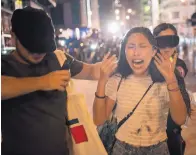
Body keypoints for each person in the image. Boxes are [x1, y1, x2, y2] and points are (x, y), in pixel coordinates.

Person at [1, 7, 115, 155]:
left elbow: (92, 71)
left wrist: (120, 66)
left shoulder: (58, 59)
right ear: (13, 37)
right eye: (31, 48)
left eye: (42, 48)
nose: (38, 54)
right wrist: (43, 82)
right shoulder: (5, 65)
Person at [93, 27, 188, 155]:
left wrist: (171, 80)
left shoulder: (166, 79)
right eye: (131, 46)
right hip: (122, 149)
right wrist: (102, 81)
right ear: (124, 51)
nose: (136, 52)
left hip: (157, 149)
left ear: (154, 51)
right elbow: (98, 120)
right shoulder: (118, 79)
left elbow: (180, 119)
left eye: (142, 46)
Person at [153, 23, 191, 155]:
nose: (167, 46)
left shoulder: (179, 64)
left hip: (172, 127)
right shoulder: (146, 64)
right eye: (162, 41)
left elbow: (180, 72)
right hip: (149, 128)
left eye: (171, 40)